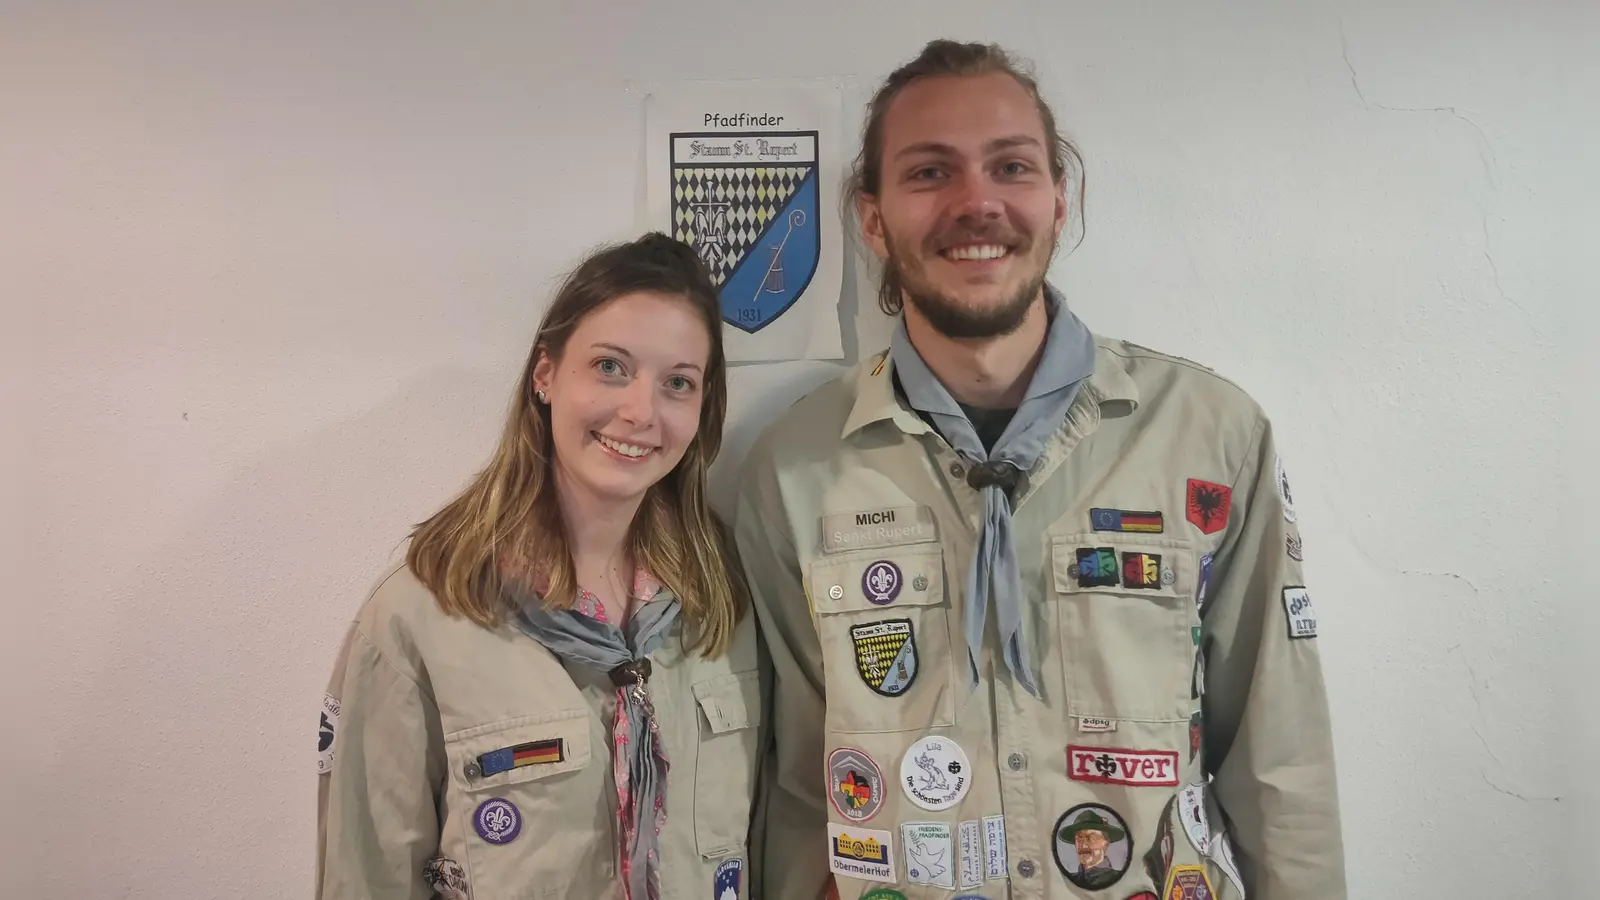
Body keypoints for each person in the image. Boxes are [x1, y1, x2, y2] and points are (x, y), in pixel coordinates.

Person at [735, 39, 1344, 900]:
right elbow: (800, 788)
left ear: (1061, 200)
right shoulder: (794, 470)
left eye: (1011, 167)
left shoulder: (1210, 437)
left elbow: (1279, 759)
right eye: (929, 173)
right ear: (873, 220)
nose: (976, 202)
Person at [317, 233, 763, 900]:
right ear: (546, 374)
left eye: (677, 382)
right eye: (611, 367)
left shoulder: (721, 598)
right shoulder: (424, 614)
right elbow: (366, 876)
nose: (641, 411)